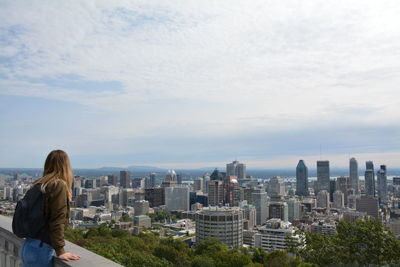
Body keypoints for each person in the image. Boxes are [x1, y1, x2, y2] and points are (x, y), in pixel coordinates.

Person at [20, 150, 80, 266]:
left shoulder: (39, 184)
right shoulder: (59, 185)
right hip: (42, 248)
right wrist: (60, 250)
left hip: (28, 245)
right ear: (66, 166)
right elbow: (57, 219)